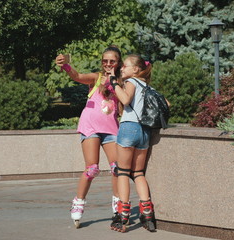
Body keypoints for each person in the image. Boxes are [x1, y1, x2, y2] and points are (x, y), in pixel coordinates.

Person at [55, 46, 122, 228]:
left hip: (111, 129)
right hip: (91, 126)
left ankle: (118, 206)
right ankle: (79, 201)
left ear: (118, 63)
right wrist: (66, 66)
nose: (107, 64)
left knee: (117, 168)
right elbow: (77, 76)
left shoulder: (122, 82)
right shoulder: (96, 78)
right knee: (92, 168)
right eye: (105, 61)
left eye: (112, 61)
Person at [109, 54, 157, 233]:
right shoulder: (148, 86)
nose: (122, 68)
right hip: (144, 132)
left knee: (122, 172)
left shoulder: (133, 82)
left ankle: (122, 217)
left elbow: (126, 99)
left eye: (125, 66)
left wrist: (114, 83)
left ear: (136, 69)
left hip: (129, 128)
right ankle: (147, 215)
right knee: (137, 173)